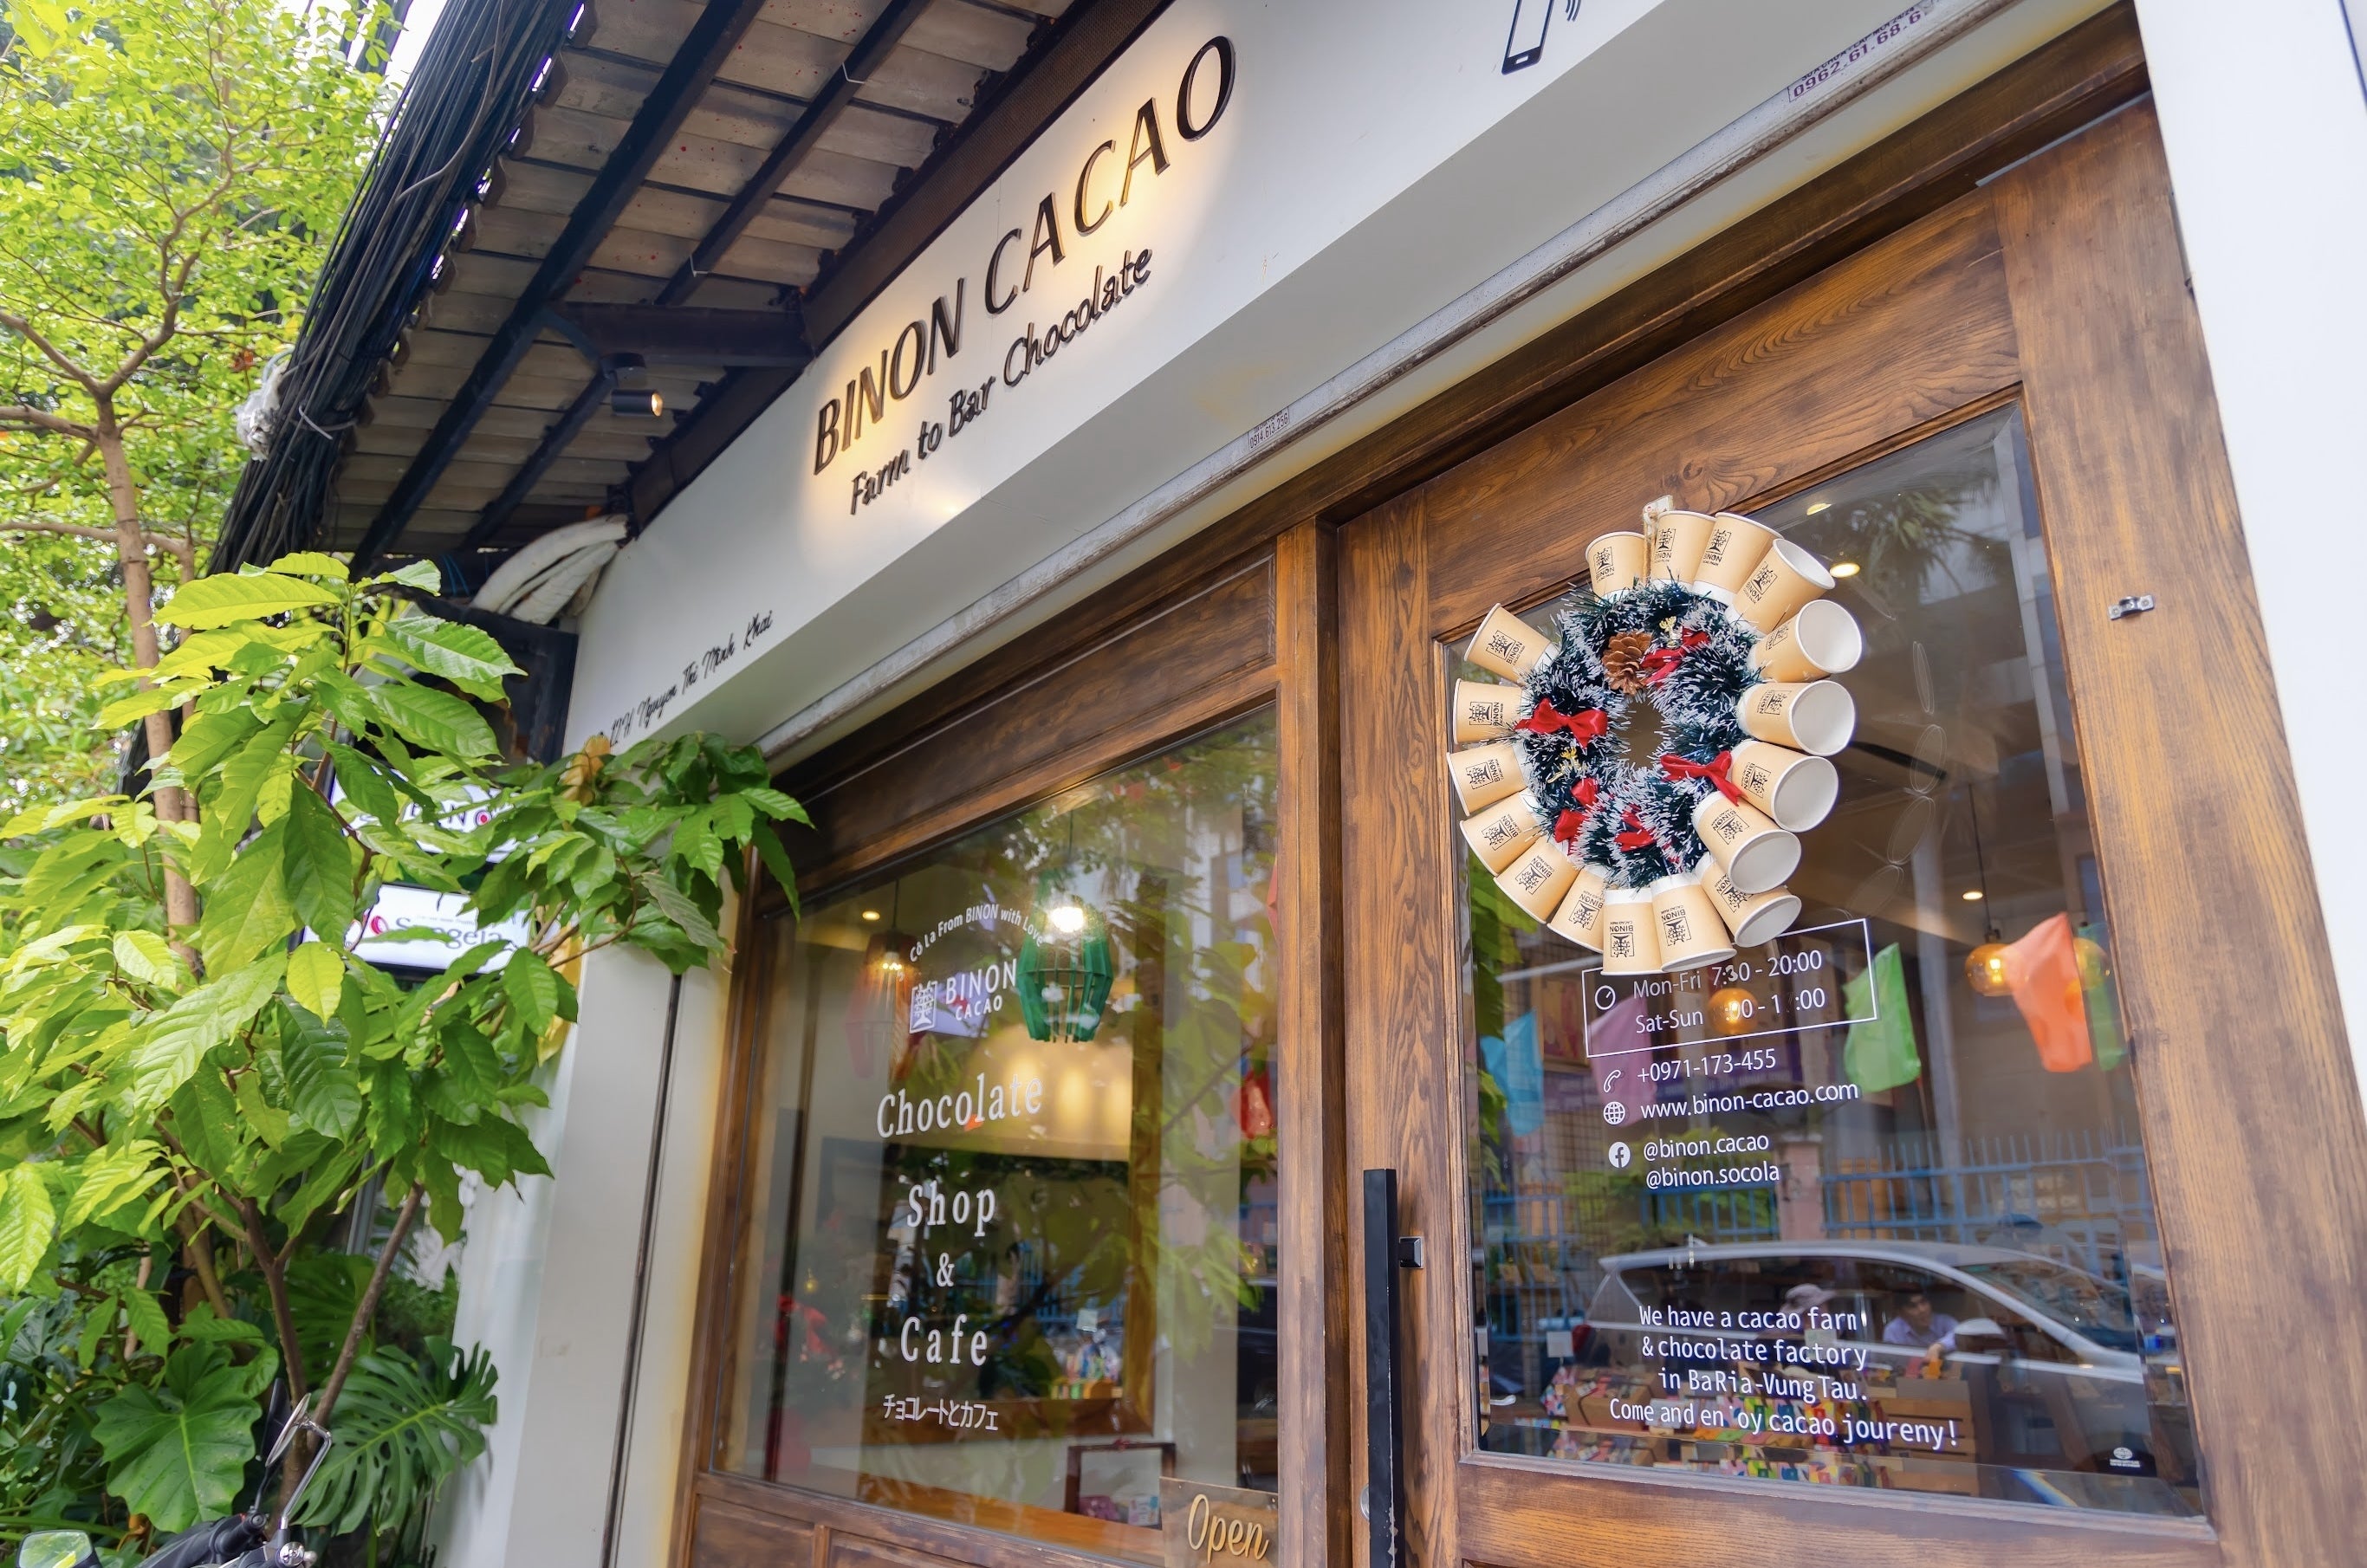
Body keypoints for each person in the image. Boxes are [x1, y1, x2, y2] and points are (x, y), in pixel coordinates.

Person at [1882, 1289, 1959, 1349]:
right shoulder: (1893, 1330)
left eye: (1924, 1302)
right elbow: (1892, 1360)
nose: (1922, 1310)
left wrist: (1939, 1346)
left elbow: (1959, 1336)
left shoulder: (1944, 1321)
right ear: (1901, 1314)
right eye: (1913, 1306)